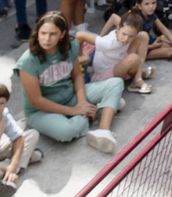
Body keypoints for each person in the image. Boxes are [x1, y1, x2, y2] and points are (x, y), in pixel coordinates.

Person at [13, 12, 124, 153]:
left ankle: (103, 131)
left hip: (70, 96)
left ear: (62, 34)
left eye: (53, 34)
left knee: (116, 83)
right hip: (41, 111)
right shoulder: (27, 61)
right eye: (43, 33)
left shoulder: (70, 47)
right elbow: (36, 101)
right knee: (66, 132)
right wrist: (74, 110)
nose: (47, 38)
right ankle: (102, 109)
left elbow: (77, 76)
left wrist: (82, 103)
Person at [84, 10, 152, 94]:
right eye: (124, 34)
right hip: (104, 75)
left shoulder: (124, 26)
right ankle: (137, 74)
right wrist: (100, 37)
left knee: (143, 35)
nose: (126, 39)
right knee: (134, 58)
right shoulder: (107, 42)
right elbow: (80, 35)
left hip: (118, 61)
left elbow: (113, 16)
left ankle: (137, 77)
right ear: (118, 28)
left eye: (131, 36)